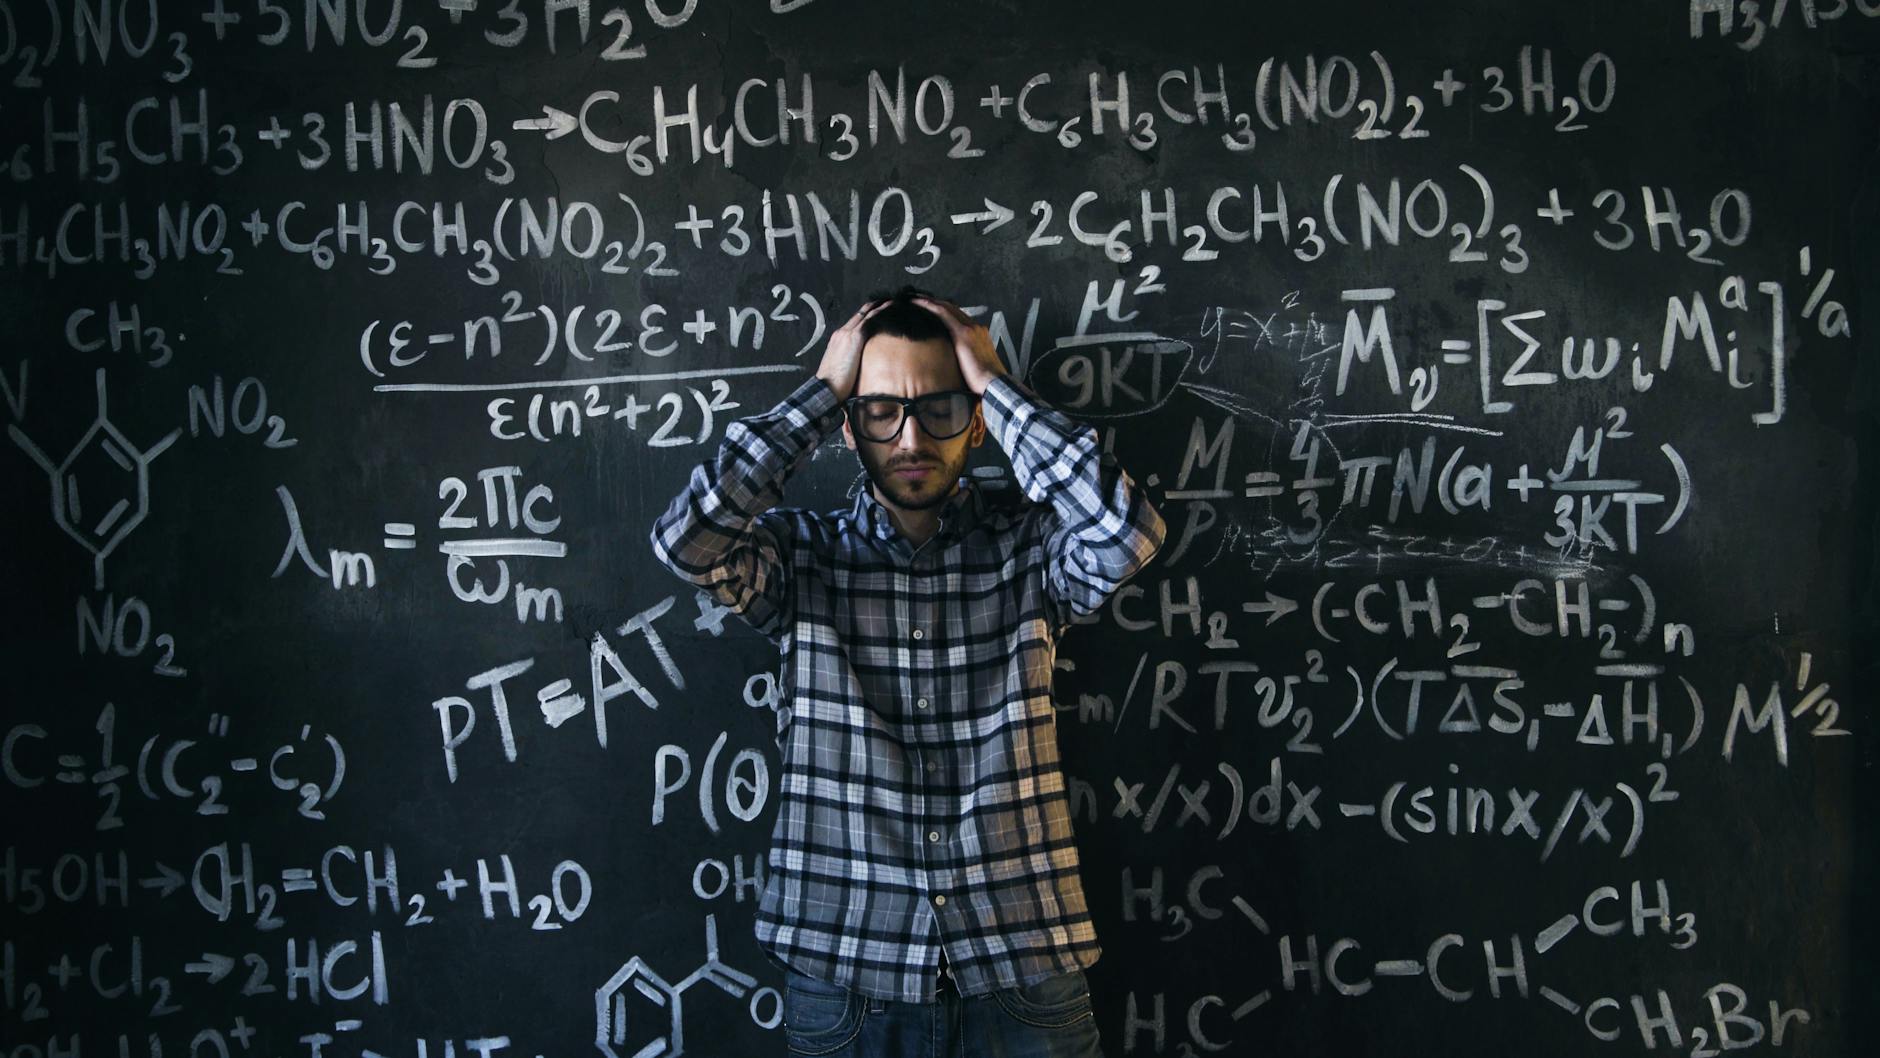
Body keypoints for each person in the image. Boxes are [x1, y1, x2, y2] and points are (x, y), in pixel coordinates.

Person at [649, 286, 1166, 1057]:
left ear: (979, 424)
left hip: (1024, 976)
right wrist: (821, 394)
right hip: (847, 982)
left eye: (941, 409)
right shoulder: (798, 557)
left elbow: (1129, 534)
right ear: (849, 427)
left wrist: (995, 384)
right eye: (881, 411)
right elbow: (685, 540)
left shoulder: (1033, 551)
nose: (912, 437)